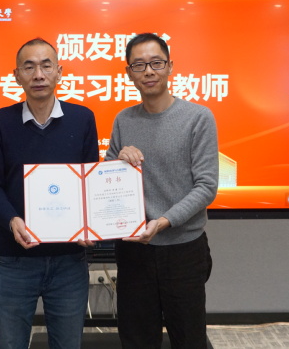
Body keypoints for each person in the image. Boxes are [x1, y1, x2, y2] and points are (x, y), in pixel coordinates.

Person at [0, 38, 99, 349]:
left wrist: (90, 224)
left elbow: (90, 182)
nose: (39, 74)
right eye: (29, 67)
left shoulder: (82, 118)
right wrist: (11, 220)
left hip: (69, 260)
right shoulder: (0, 122)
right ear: (16, 75)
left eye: (46, 65)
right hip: (14, 259)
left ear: (59, 72)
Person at [105, 32, 219, 349]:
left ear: (170, 66)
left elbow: (207, 186)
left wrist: (164, 221)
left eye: (156, 63)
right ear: (129, 73)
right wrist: (119, 159)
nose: (148, 71)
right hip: (134, 252)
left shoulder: (198, 117)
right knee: (137, 340)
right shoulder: (123, 120)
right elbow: (106, 179)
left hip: (183, 250)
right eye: (139, 65)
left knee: (189, 339)